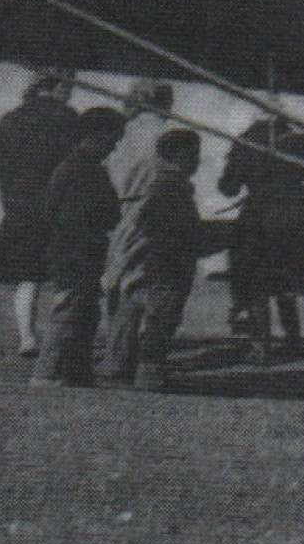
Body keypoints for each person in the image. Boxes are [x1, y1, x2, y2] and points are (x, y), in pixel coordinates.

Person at [107, 129, 224, 390]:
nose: (197, 161)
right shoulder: (172, 191)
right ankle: (150, 374)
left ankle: (120, 366)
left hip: (144, 265)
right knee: (162, 320)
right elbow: (184, 236)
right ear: (180, 157)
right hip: (167, 269)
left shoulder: (158, 188)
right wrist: (226, 235)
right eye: (194, 155)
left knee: (131, 315)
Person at [0, 69, 78, 360]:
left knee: (27, 278)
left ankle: (27, 337)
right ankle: (59, 338)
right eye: (70, 85)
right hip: (58, 206)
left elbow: (3, 168)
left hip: (21, 206)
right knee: (67, 276)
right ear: (59, 85)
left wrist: (11, 203)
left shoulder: (11, 119)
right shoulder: (68, 118)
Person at [33, 107, 126, 388]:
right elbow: (86, 217)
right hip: (76, 255)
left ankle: (76, 371)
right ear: (94, 137)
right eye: (111, 140)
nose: (113, 148)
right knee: (69, 312)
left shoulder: (78, 168)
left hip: (78, 254)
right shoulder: (82, 172)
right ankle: (47, 374)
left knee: (84, 313)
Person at [218, 114, 304, 360]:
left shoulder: (246, 141)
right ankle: (293, 339)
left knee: (256, 283)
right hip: (293, 221)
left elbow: (228, 187)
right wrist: (297, 202)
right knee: (286, 283)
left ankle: (260, 345)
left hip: (258, 219)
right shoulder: (302, 142)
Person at [101, 79, 176, 317]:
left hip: (116, 209)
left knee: (117, 274)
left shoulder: (120, 131)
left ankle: (117, 337)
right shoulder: (164, 133)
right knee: (148, 279)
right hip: (152, 209)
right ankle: (139, 338)